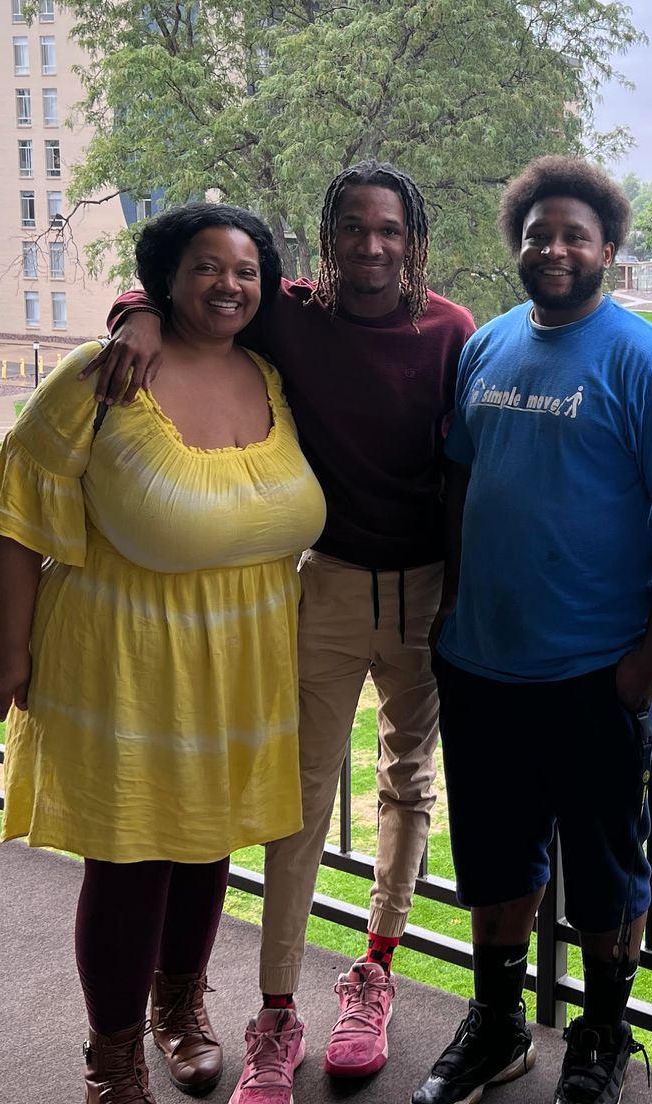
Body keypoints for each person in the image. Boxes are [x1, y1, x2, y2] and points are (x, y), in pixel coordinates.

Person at [88, 163, 474, 1104]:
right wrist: (132, 313)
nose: (370, 245)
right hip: (329, 585)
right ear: (328, 234)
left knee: (408, 784)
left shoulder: (454, 330)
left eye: (388, 229)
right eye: (351, 227)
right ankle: (273, 1009)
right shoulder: (291, 312)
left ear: (413, 236)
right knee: (295, 795)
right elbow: (194, 290)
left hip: (428, 593)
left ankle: (374, 969)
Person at [0, 203, 327, 1104]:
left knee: (207, 849)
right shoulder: (108, 374)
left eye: (246, 271)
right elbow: (18, 497)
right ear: (165, 278)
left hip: (240, 662)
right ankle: (113, 1057)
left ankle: (180, 1013)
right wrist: (5, 649)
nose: (229, 285)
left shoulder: (271, 376)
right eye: (208, 267)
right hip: (125, 656)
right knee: (132, 859)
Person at [416, 155, 652, 1104]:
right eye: (538, 233)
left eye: (573, 235)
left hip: (597, 671)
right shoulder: (489, 347)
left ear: (608, 251)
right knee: (496, 861)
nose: (553, 248)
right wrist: (455, 598)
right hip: (482, 661)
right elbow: (462, 476)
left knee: (605, 877)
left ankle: (603, 1038)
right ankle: (500, 1026)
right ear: (519, 243)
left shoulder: (650, 361)